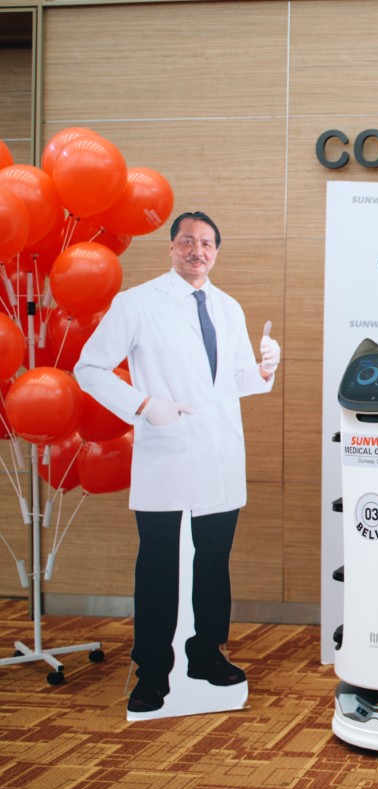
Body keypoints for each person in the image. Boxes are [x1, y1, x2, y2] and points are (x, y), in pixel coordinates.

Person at [75, 211, 280, 715]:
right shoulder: (138, 303)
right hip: (166, 454)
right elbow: (88, 368)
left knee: (213, 565)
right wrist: (145, 406)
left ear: (216, 252)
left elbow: (229, 382)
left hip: (219, 456)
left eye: (208, 243)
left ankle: (206, 655)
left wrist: (262, 370)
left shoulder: (228, 307)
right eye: (188, 241)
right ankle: (152, 672)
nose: (198, 250)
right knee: (160, 567)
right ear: (171, 247)